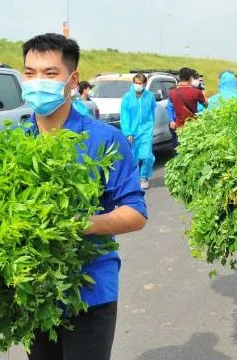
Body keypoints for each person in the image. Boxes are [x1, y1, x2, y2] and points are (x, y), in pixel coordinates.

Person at [19, 33, 148, 360]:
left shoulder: (105, 140)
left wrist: (82, 224)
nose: (38, 83)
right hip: (33, 290)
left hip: (90, 291)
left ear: (72, 79)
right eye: (29, 73)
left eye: (50, 74)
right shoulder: (14, 143)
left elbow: (135, 213)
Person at [120, 73, 157, 190]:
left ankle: (144, 176)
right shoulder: (127, 97)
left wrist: (151, 128)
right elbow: (124, 115)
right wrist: (128, 132)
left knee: (146, 156)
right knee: (132, 157)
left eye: (140, 83)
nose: (137, 85)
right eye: (136, 83)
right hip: (132, 131)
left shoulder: (150, 96)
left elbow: (152, 112)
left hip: (146, 130)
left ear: (145, 84)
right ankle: (133, 179)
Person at [167, 67, 208, 146]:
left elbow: (170, 107)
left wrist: (172, 120)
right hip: (194, 126)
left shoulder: (172, 93)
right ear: (191, 78)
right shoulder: (196, 92)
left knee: (182, 149)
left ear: (179, 77)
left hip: (180, 128)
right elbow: (206, 105)